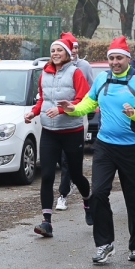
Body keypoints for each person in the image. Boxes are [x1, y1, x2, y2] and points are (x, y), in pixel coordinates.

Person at [59, 36, 135, 264]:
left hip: (132, 148)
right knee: (99, 194)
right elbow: (89, 103)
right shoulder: (102, 79)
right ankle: (105, 244)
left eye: (119, 58)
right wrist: (73, 108)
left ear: (127, 59)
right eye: (111, 58)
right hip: (105, 146)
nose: (115, 62)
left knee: (133, 199)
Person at [24, 37, 91, 236]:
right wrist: (34, 112)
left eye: (59, 50)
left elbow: (83, 99)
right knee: (46, 175)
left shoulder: (76, 72)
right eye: (52, 50)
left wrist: (62, 111)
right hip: (49, 132)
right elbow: (42, 99)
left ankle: (88, 202)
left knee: (76, 175)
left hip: (72, 131)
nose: (55, 53)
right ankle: (47, 222)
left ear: (68, 54)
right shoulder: (43, 73)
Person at [55, 32, 94, 211]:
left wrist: (79, 105)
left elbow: (90, 90)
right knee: (62, 160)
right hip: (56, 120)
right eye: (73, 47)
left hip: (78, 117)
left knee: (70, 161)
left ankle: (68, 191)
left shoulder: (83, 66)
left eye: (77, 47)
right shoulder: (54, 66)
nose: (75, 50)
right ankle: (64, 191)